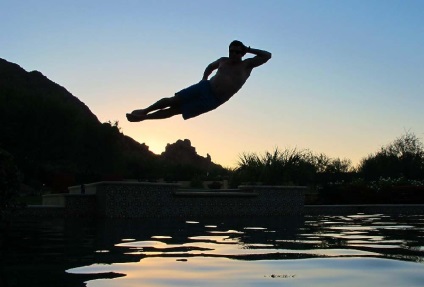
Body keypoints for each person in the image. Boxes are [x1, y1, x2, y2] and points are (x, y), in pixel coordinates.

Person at [126, 40, 271, 122]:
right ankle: (144, 110)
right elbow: (210, 66)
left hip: (214, 99)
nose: (234, 54)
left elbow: (267, 55)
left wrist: (249, 49)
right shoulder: (223, 61)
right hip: (205, 87)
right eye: (231, 51)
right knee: (173, 100)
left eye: (237, 51)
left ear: (242, 53)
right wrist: (204, 79)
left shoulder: (247, 65)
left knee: (176, 110)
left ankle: (145, 118)